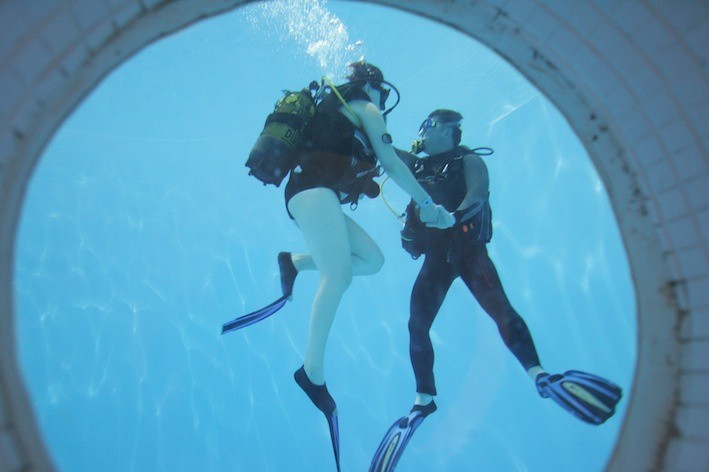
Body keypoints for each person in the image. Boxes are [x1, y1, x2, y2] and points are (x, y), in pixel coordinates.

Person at [369, 109, 622, 472]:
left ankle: (540, 375)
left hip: (468, 250)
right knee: (417, 324)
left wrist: (451, 217)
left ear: (449, 131)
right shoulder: (419, 167)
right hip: (437, 257)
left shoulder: (467, 159)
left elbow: (478, 194)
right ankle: (422, 400)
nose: (422, 132)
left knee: (501, 310)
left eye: (429, 126)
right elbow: (386, 150)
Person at [271, 63, 454, 472]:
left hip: (316, 195)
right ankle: (311, 372)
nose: (382, 104)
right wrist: (429, 205)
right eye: (382, 96)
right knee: (338, 276)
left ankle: (296, 263)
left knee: (371, 260)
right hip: (312, 192)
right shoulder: (365, 108)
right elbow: (390, 161)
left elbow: (384, 161)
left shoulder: (341, 111)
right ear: (373, 87)